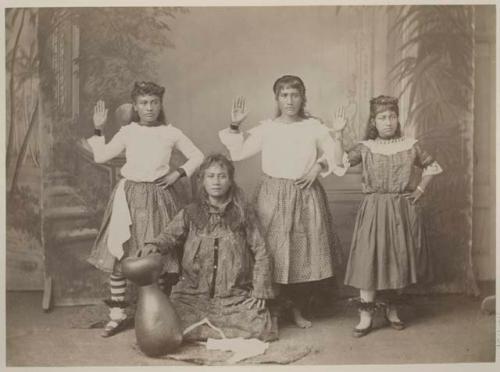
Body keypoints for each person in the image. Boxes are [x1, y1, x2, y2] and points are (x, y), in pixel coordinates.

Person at [218, 75, 345, 328]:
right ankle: (272, 309)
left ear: (302, 98)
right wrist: (234, 126)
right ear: (277, 99)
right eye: (284, 95)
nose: (290, 100)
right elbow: (239, 152)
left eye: (295, 95)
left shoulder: (313, 127)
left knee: (301, 255)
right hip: (272, 196)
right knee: (271, 252)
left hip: (304, 194)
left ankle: (297, 309)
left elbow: (337, 156)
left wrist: (318, 166)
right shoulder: (267, 128)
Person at [86, 81, 204, 337]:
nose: (149, 108)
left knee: (158, 257)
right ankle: (117, 315)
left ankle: (154, 313)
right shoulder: (128, 132)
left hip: (159, 197)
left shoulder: (171, 132)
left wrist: (178, 173)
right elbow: (101, 156)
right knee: (120, 254)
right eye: (143, 103)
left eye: (154, 102)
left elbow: (198, 156)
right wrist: (98, 128)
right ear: (136, 107)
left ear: (160, 104)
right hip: (128, 198)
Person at [331, 95, 443, 337]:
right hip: (374, 208)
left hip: (401, 209)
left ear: (397, 119)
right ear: (374, 121)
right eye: (382, 117)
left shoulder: (410, 145)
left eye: (392, 116)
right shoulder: (366, 147)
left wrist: (420, 189)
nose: (388, 122)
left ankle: (392, 311)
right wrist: (339, 134)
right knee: (368, 258)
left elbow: (432, 167)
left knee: (397, 259)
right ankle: (366, 316)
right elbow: (340, 164)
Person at [140, 154, 276, 341]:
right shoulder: (190, 212)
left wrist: (260, 288)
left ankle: (206, 334)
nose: (216, 182)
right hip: (192, 294)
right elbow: (168, 236)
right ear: (202, 180)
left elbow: (261, 250)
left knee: (260, 328)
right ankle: (215, 334)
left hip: (234, 294)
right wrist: (154, 245)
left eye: (222, 176)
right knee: (170, 325)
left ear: (230, 181)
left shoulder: (243, 213)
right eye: (210, 176)